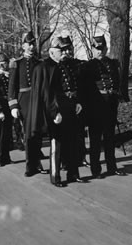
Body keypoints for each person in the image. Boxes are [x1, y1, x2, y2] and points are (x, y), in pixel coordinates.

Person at [29, 35, 88, 187]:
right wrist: (54, 112)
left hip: (70, 107)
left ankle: (73, 173)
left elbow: (73, 86)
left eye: (66, 50)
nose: (64, 53)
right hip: (56, 110)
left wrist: (78, 102)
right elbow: (46, 94)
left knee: (73, 142)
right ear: (51, 51)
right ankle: (55, 177)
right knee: (57, 144)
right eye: (61, 50)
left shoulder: (66, 65)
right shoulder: (44, 67)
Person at [83, 35, 127, 178]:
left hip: (110, 105)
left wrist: (116, 97)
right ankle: (96, 170)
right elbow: (86, 89)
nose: (99, 51)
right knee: (95, 140)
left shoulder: (113, 64)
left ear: (106, 48)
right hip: (95, 106)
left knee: (109, 138)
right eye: (97, 49)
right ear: (92, 49)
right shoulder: (88, 66)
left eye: (102, 49)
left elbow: (117, 82)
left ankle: (112, 167)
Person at [8, 31, 47, 177]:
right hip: (24, 101)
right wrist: (13, 105)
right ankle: (30, 166)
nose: (31, 46)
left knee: (37, 134)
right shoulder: (16, 63)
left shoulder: (39, 63)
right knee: (28, 134)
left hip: (37, 100)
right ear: (23, 45)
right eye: (28, 44)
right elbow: (11, 86)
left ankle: (37, 163)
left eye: (33, 44)